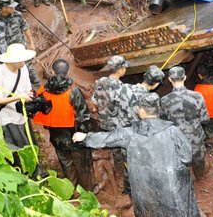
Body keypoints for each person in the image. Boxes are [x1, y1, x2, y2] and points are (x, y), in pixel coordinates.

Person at [73, 93, 201, 217]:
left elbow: (109, 138)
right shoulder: (173, 131)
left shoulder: (130, 133)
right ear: (158, 109)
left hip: (144, 185)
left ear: (142, 111)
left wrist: (85, 137)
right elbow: (187, 157)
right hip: (173, 184)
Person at [33, 59, 93, 189]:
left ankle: (71, 188)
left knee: (66, 163)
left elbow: (38, 110)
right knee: (83, 164)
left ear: (53, 71)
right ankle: (88, 190)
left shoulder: (42, 90)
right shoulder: (73, 91)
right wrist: (86, 134)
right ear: (68, 71)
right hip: (74, 135)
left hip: (56, 136)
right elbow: (83, 115)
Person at [91, 55, 133, 194]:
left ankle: (118, 168)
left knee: (114, 147)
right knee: (123, 149)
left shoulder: (101, 81)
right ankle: (123, 175)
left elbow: (95, 102)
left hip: (105, 123)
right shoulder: (122, 88)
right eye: (124, 67)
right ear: (120, 70)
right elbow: (127, 110)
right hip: (118, 125)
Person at [161, 66, 210, 179]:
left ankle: (183, 180)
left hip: (176, 140)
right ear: (185, 77)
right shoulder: (197, 96)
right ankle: (199, 176)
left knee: (179, 163)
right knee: (199, 161)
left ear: (169, 79)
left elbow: (164, 123)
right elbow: (205, 119)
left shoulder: (164, 100)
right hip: (195, 138)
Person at [0, 43, 36, 150]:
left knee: (29, 146)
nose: (24, 62)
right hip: (8, 118)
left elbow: (27, 89)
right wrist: (19, 97)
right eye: (21, 60)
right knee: (17, 149)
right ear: (13, 60)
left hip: (22, 115)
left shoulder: (23, 69)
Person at [0, 0, 40, 90]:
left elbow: (25, 27)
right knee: (12, 70)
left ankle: (37, 86)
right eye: (11, 7)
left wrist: (31, 42)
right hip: (7, 51)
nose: (14, 8)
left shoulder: (17, 15)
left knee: (28, 66)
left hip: (20, 47)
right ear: (4, 8)